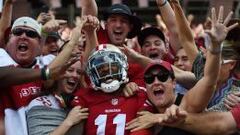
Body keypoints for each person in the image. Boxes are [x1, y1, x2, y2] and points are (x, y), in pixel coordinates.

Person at [125, 5, 238, 135]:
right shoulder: (201, 71)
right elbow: (185, 40)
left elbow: (209, 81)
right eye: (149, 79)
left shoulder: (236, 93)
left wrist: (216, 47)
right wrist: (175, 5)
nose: (155, 81)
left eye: (162, 77)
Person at [72, 44, 152, 135]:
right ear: (92, 73)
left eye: (112, 65)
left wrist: (137, 58)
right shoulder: (84, 96)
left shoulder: (137, 92)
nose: (106, 69)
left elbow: (165, 71)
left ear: (123, 66)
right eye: (100, 68)